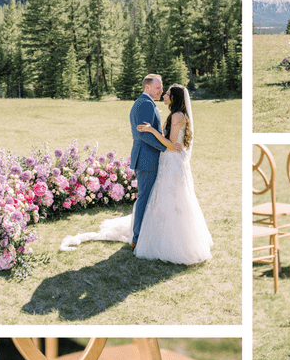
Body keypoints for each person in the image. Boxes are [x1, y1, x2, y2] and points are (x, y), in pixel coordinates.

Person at [60, 84, 212, 265]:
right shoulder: (176, 115)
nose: (164, 95)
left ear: (175, 98)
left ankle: (174, 242)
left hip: (172, 163)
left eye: (167, 93)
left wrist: (151, 130)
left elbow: (171, 145)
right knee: (168, 199)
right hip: (170, 161)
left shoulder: (177, 116)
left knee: (172, 199)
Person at [130, 73, 166, 248]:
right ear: (147, 87)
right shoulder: (145, 103)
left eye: (161, 87)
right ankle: (137, 239)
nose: (161, 90)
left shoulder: (145, 102)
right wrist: (165, 147)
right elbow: (143, 134)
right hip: (146, 158)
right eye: (158, 87)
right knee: (144, 198)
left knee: (146, 197)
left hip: (145, 157)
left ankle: (141, 236)